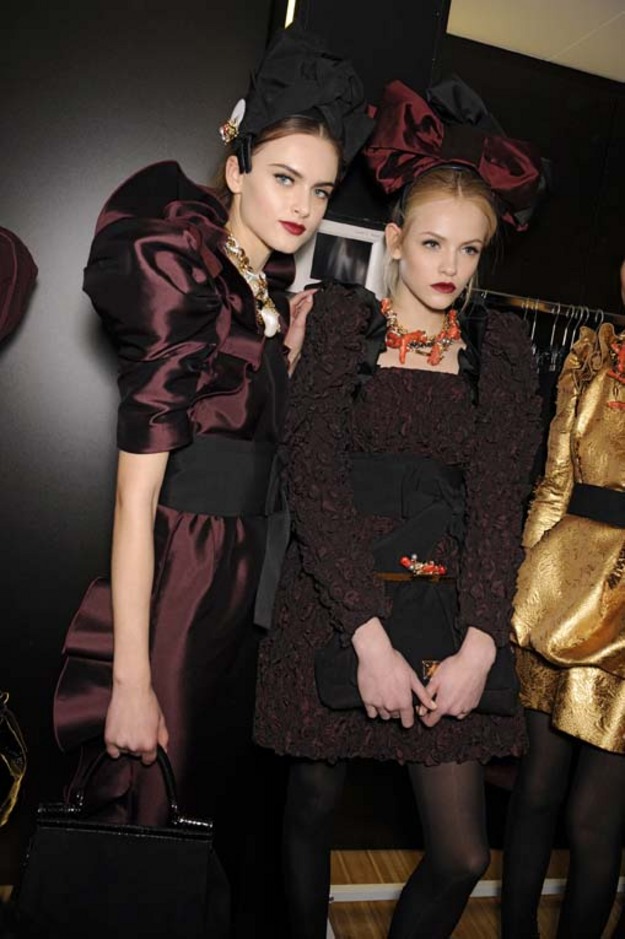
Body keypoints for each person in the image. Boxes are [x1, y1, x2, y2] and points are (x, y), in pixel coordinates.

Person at [52, 23, 372, 937]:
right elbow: (135, 500)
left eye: (319, 189)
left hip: (243, 593)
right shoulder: (181, 283)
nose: (303, 206)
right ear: (235, 166)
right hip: (182, 586)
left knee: (204, 830)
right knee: (146, 816)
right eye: (284, 178)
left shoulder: (257, 294)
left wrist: (287, 360)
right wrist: (130, 677)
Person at [254, 77, 545, 939]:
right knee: (309, 806)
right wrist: (366, 638)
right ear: (393, 241)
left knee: (461, 852)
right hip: (335, 600)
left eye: (468, 249)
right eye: (430, 242)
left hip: (445, 607)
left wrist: (480, 642)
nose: (448, 266)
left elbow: (498, 504)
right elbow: (313, 481)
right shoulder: (340, 326)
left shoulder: (501, 350)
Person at [502, 264, 625, 939]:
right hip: (557, 595)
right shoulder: (590, 357)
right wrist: (519, 593)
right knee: (534, 793)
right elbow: (553, 486)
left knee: (591, 820)